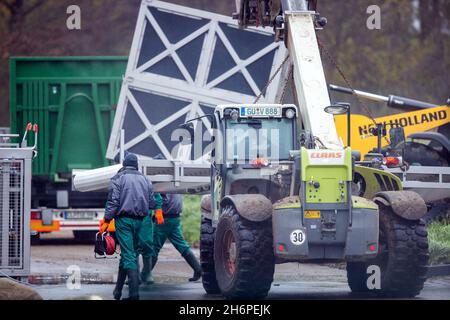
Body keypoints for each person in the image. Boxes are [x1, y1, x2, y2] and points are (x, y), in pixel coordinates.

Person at [100, 153, 160, 300]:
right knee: (127, 254)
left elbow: (113, 202)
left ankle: (134, 295)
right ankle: (118, 291)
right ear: (136, 165)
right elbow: (152, 203)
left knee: (128, 255)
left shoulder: (118, 179)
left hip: (124, 222)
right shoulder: (146, 179)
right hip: (140, 221)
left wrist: (106, 220)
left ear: (124, 165)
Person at [151, 193, 202, 282]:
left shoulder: (163, 181)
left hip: (163, 218)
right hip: (175, 217)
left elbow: (157, 196)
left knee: (154, 247)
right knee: (182, 245)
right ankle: (198, 269)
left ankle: (144, 275)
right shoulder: (176, 181)